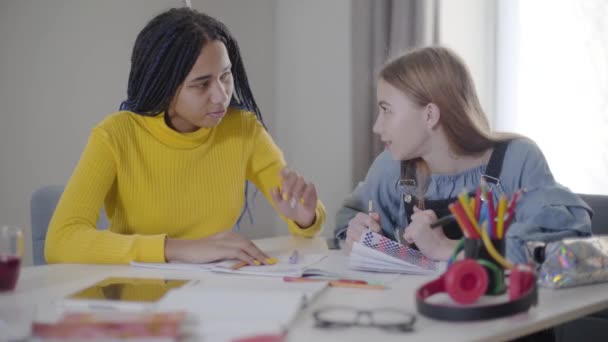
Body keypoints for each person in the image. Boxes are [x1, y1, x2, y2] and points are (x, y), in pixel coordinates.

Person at [45, 7, 325, 265]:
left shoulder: (243, 129)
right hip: (141, 306)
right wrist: (179, 248)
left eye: (225, 76)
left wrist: (304, 217)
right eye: (201, 84)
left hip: (216, 297)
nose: (221, 96)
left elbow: (299, 211)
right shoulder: (115, 136)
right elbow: (61, 241)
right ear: (164, 89)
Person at [335, 46, 591, 263]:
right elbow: (349, 222)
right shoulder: (390, 167)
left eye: (387, 110)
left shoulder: (518, 160)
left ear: (430, 115)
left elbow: (564, 248)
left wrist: (448, 249)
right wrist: (357, 236)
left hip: (509, 319)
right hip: (422, 317)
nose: (377, 127)